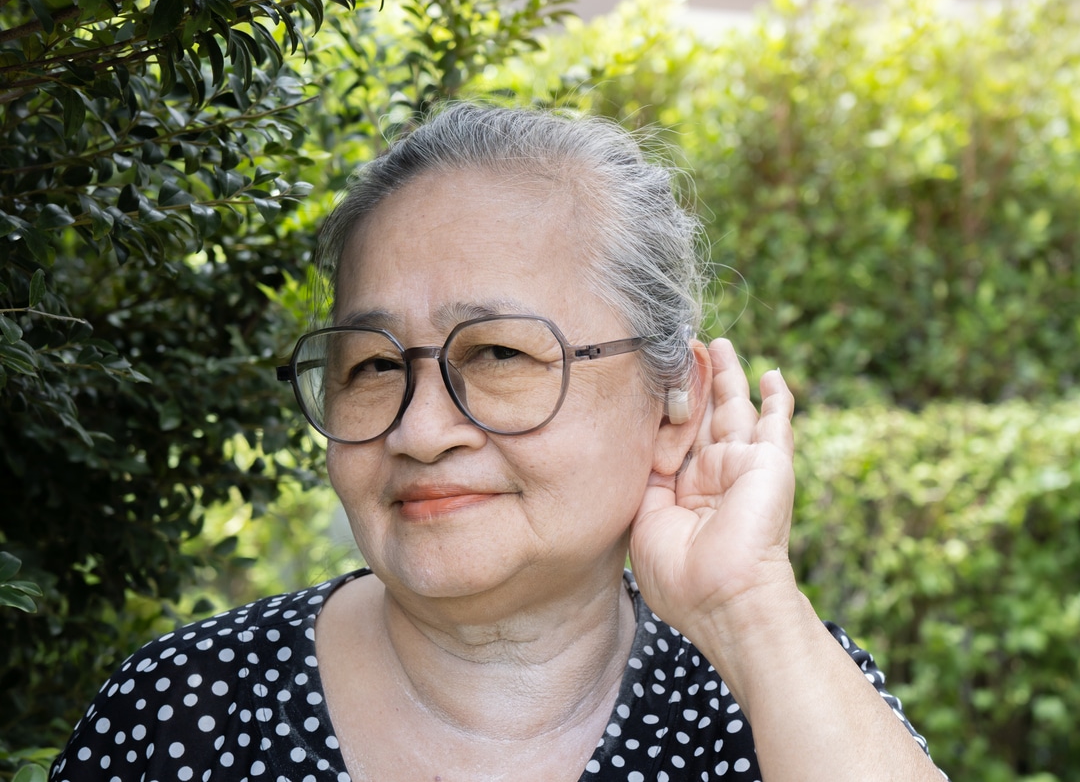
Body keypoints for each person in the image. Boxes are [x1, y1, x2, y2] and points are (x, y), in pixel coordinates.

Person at [51, 103, 946, 781]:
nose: (420, 428)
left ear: (675, 399)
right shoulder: (185, 711)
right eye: (369, 365)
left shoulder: (779, 694)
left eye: (499, 353)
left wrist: (747, 607)